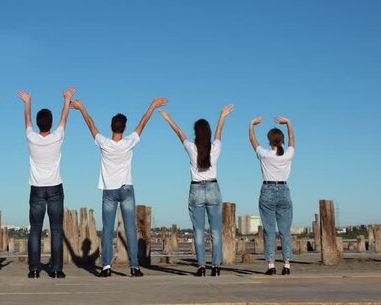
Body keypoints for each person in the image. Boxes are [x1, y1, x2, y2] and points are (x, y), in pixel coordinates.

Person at [71, 97, 168, 277]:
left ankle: (107, 267)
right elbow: (143, 123)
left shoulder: (105, 144)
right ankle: (134, 267)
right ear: (124, 128)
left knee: (107, 230)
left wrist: (82, 107)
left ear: (111, 127)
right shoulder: (129, 142)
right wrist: (152, 106)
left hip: (109, 191)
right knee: (130, 229)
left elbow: (91, 125)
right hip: (126, 189)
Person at [159, 105, 234, 277]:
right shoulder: (215, 148)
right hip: (213, 187)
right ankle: (215, 267)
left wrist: (168, 117)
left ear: (196, 132)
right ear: (207, 132)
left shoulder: (192, 148)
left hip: (196, 189)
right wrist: (222, 116)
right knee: (216, 231)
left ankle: (201, 267)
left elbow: (179, 133)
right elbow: (219, 132)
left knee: (198, 231)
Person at [17, 87, 76, 279]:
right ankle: (57, 270)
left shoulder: (31, 138)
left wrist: (28, 102)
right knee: (56, 230)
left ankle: (34, 269)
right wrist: (67, 100)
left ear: (38, 124)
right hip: (55, 187)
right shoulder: (57, 137)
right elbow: (64, 119)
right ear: (50, 124)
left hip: (36, 189)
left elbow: (26, 120)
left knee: (35, 230)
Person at [249, 116, 295, 275]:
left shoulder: (265, 154)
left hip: (267, 190)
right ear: (282, 141)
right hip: (283, 190)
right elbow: (292, 141)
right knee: (285, 230)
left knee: (269, 230)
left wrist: (251, 125)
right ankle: (287, 265)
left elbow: (252, 140)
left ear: (269, 141)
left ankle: (271, 265)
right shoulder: (288, 154)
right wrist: (288, 123)